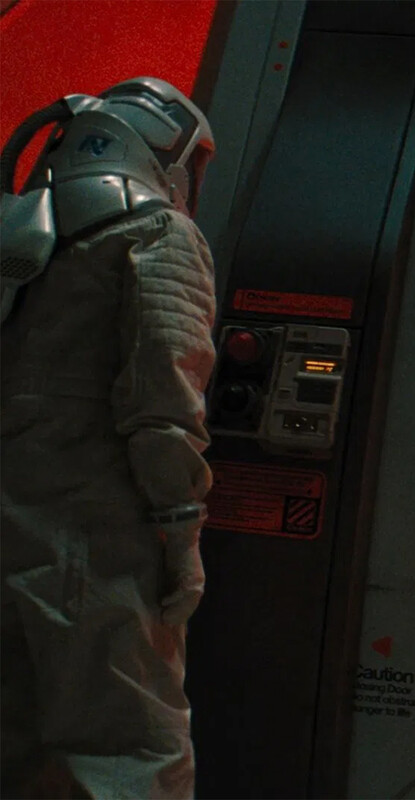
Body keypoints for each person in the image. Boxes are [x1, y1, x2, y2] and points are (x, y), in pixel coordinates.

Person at [1, 77, 217, 798]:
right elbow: (164, 405)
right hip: (95, 542)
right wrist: (180, 535)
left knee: (18, 745)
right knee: (132, 746)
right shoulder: (159, 235)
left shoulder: (20, 242)